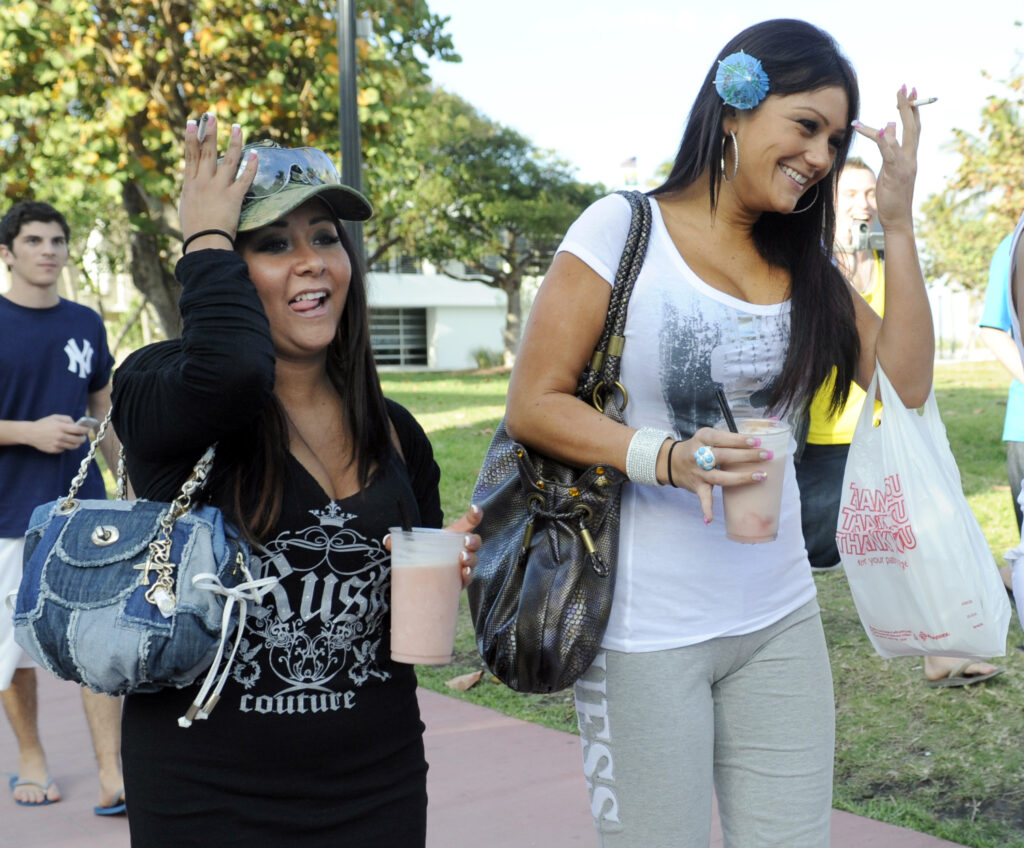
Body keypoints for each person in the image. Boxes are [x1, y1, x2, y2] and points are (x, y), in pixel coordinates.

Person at [504, 19, 933, 847]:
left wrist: (900, 223)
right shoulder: (622, 231)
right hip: (641, 627)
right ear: (732, 109)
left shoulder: (803, 265)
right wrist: (663, 456)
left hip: (779, 619)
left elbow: (906, 383)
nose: (819, 156)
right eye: (805, 125)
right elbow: (535, 401)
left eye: (835, 141)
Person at [110, 118, 481, 847]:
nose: (312, 261)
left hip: (378, 785)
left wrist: (446, 568)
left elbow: (397, 624)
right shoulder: (161, 391)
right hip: (209, 800)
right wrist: (204, 240)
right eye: (273, 244)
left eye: (324, 238)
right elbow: (233, 372)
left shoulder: (396, 429)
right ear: (224, 265)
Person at [0, 201, 126, 814]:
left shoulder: (85, 322)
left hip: (82, 514)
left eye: (57, 240)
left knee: (95, 643)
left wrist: (126, 478)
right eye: (32, 240)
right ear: (7, 253)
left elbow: (101, 406)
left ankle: (111, 774)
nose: (47, 250)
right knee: (11, 651)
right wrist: (28, 432)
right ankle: (31, 758)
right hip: (4, 519)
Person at [796, 157, 883, 573]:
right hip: (821, 437)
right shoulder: (807, 267)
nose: (862, 204)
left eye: (870, 193)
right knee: (817, 558)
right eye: (849, 193)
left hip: (879, 434)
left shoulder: (889, 267)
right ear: (828, 201)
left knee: (876, 556)